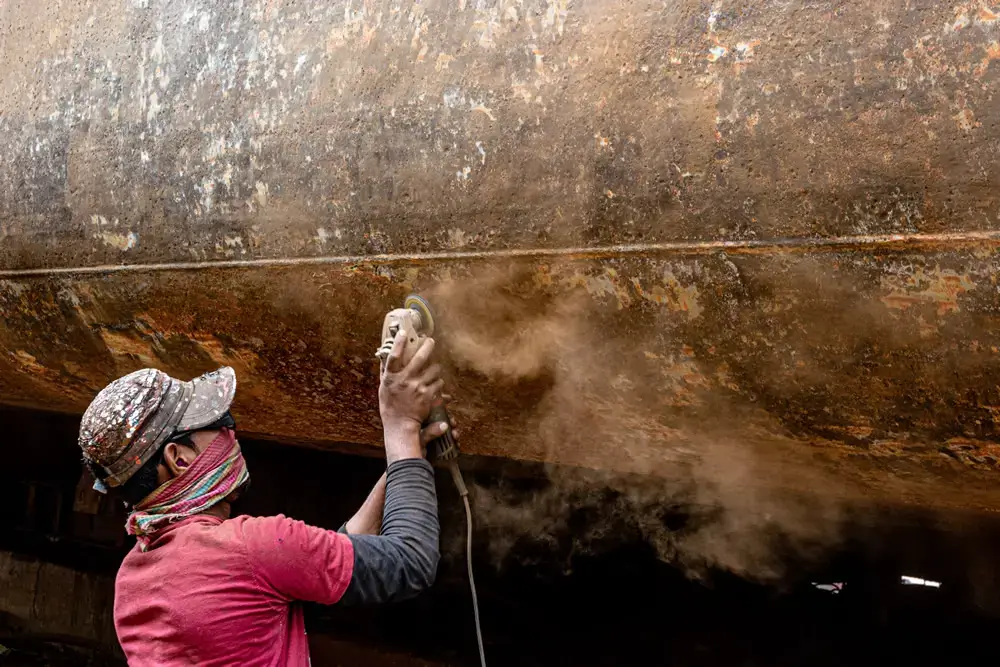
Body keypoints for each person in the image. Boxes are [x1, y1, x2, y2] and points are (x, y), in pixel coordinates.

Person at [76, 331, 449, 666]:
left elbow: (317, 566)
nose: (230, 433)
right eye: (218, 424)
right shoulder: (251, 548)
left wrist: (403, 463)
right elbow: (410, 560)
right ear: (180, 459)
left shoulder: (132, 581)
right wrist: (399, 425)